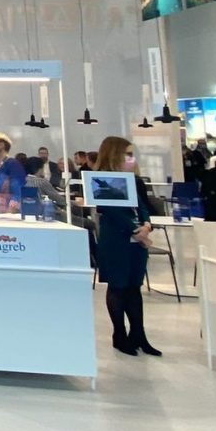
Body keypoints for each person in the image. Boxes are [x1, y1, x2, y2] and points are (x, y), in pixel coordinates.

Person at [91, 136, 161, 356]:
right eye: (128, 154)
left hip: (136, 244)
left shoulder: (132, 180)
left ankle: (138, 334)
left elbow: (143, 206)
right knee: (118, 286)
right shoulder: (100, 180)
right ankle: (119, 335)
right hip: (116, 242)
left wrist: (146, 225)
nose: (132, 159)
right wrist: (134, 230)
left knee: (134, 287)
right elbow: (110, 210)